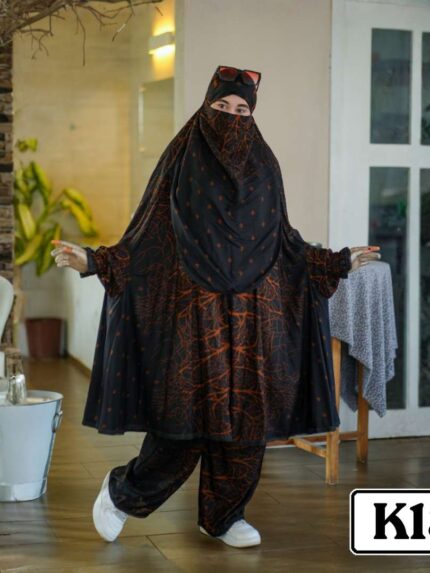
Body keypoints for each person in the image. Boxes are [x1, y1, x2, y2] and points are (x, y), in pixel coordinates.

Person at [51, 65, 380, 548]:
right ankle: (124, 494)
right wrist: (96, 261)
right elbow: (146, 235)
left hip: (253, 318)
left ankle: (223, 516)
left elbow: (285, 242)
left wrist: (336, 261)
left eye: (242, 109)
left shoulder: (264, 166)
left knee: (246, 424)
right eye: (221, 106)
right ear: (205, 108)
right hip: (192, 315)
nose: (231, 116)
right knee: (183, 426)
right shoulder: (181, 160)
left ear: (253, 115)